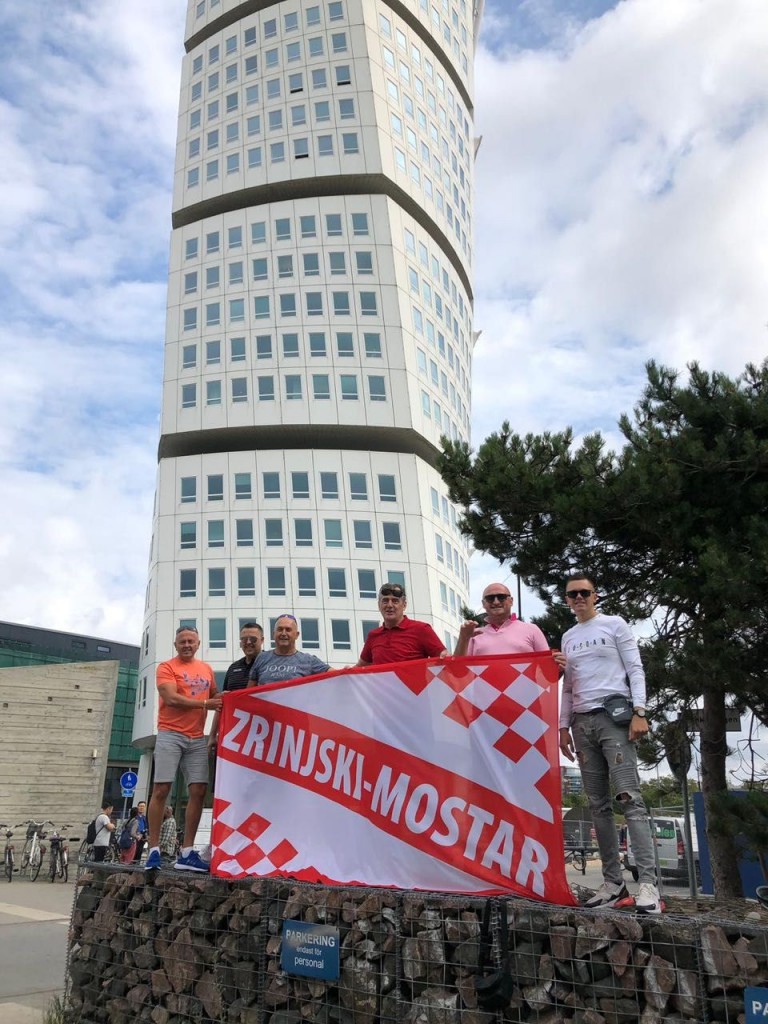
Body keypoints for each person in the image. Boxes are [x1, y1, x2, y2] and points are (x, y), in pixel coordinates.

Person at [555, 574, 661, 914]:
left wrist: (640, 711)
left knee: (630, 799)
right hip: (581, 722)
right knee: (597, 806)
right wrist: (562, 727)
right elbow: (569, 686)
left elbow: (635, 668)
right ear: (567, 600)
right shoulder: (569, 637)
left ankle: (648, 884)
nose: (579, 598)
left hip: (613, 718)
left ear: (595, 595)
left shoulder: (614, 625)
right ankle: (613, 883)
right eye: (572, 594)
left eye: (584, 592)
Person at [144, 626, 222, 873]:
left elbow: (217, 696)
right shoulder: (166, 667)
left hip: (196, 738)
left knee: (198, 790)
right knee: (161, 789)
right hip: (170, 734)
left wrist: (232, 696)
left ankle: (187, 852)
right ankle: (153, 850)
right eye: (182, 642)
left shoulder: (206, 669)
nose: (187, 645)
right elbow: (172, 698)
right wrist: (207, 704)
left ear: (199, 643)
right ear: (175, 645)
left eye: (191, 641)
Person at [357, 584, 447, 665]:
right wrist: (345, 674)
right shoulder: (373, 636)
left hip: (412, 683)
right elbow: (359, 668)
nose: (389, 605)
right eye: (385, 601)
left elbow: (447, 660)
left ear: (404, 605)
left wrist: (461, 640)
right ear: (379, 605)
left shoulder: (421, 629)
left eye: (395, 601)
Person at [453, 583, 550, 656]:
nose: (496, 602)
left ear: (511, 601)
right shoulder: (473, 635)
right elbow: (458, 671)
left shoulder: (532, 630)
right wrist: (463, 638)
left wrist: (559, 665)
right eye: (490, 598)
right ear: (483, 603)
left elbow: (547, 666)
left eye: (501, 597)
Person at [209, 622, 264, 747]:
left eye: (253, 639)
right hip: (235, 734)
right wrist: (212, 736)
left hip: (262, 733)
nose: (248, 642)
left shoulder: (269, 665)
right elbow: (221, 704)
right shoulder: (234, 668)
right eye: (244, 639)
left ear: (262, 640)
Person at [248, 615, 329, 684]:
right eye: (280, 629)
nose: (283, 633)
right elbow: (248, 691)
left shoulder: (309, 660)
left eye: (288, 630)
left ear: (297, 635)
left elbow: (336, 675)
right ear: (273, 634)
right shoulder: (262, 657)